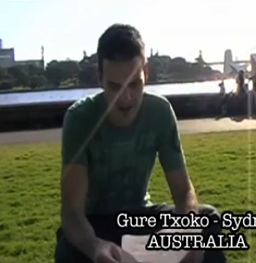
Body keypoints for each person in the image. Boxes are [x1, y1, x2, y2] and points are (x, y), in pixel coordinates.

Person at [54, 24, 226, 263]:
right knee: (68, 252)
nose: (126, 98)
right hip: (95, 223)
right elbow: (72, 213)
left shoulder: (160, 112)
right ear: (100, 78)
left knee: (208, 221)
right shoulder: (80, 118)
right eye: (115, 86)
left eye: (134, 84)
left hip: (141, 217)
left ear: (146, 72)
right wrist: (95, 247)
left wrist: (187, 229)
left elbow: (183, 191)